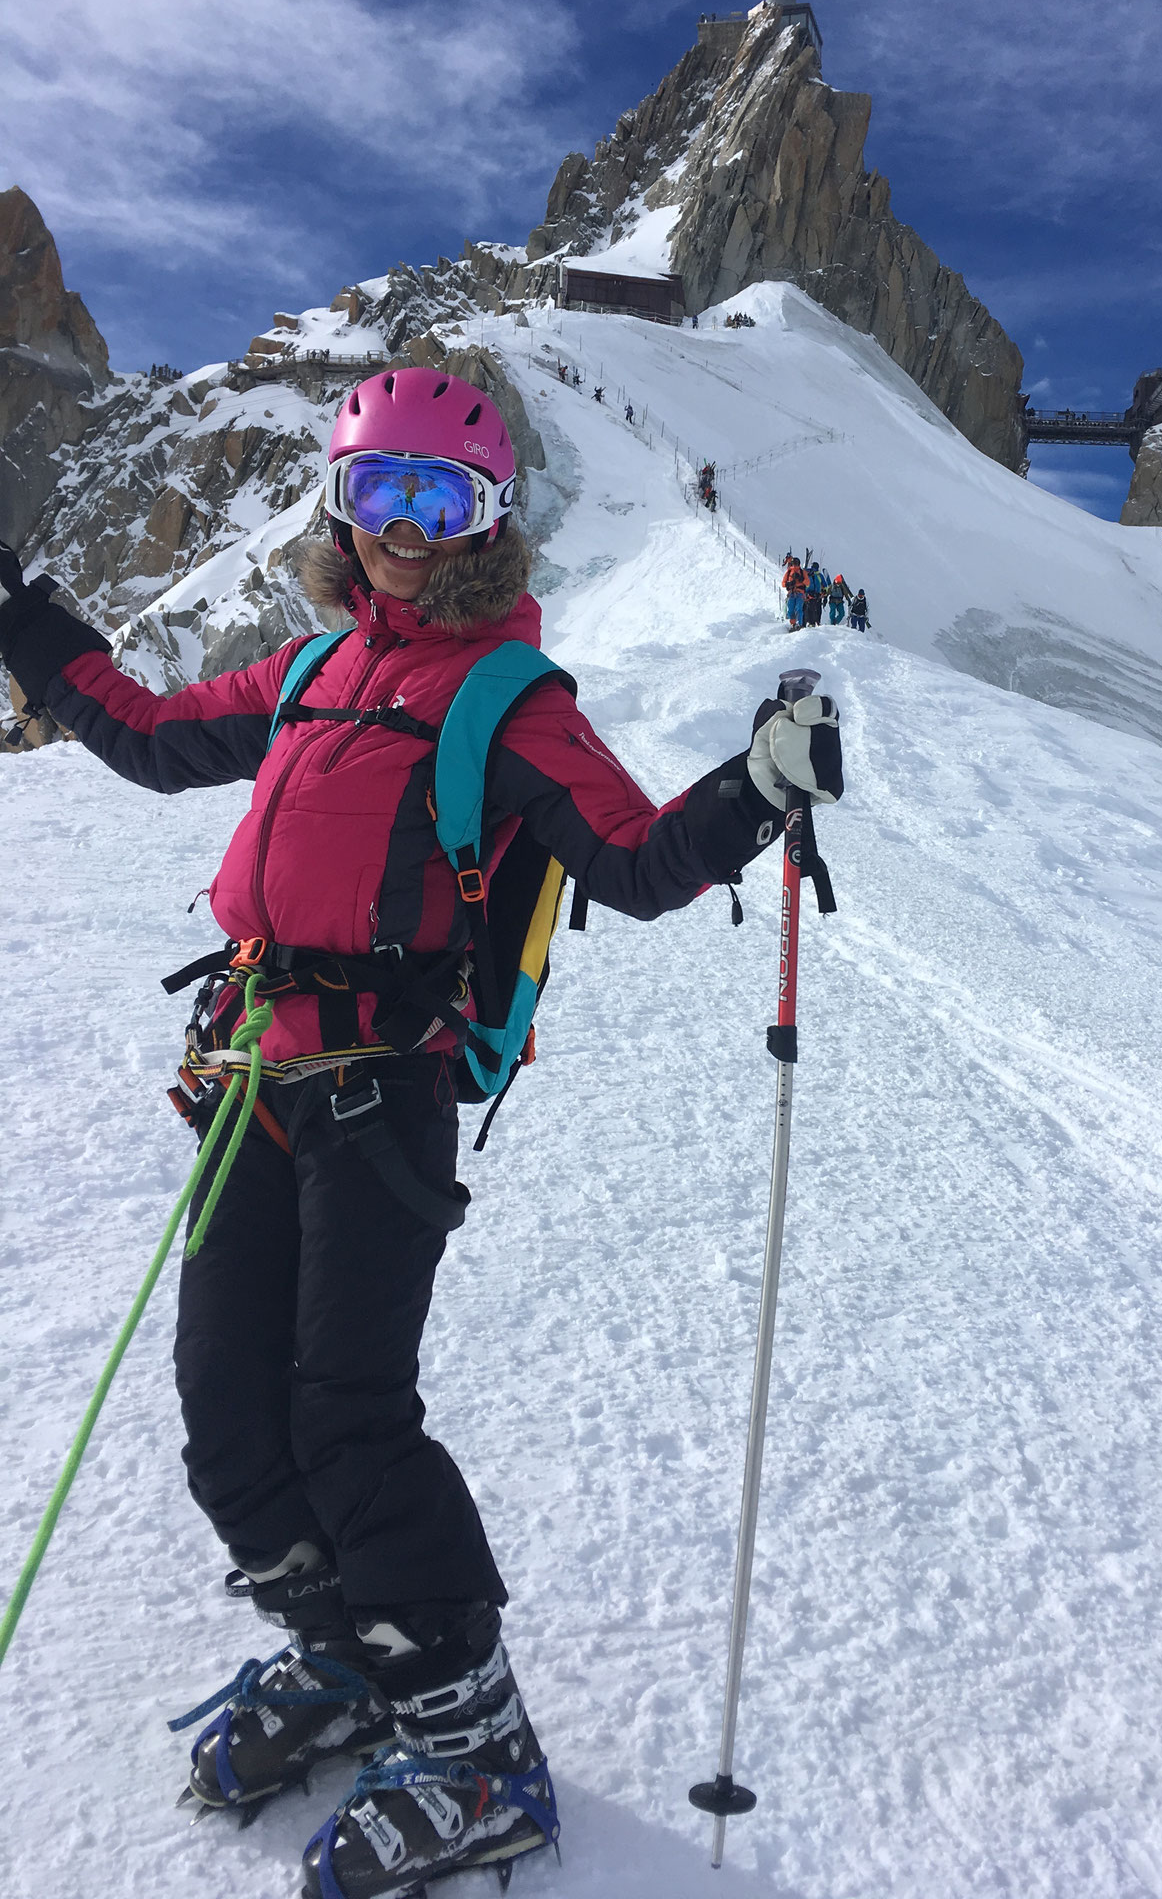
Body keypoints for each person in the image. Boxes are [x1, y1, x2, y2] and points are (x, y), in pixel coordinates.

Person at [0, 366, 845, 1898]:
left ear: (490, 525)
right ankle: (353, 1658)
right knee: (226, 1415)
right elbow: (137, 731)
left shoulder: (510, 701)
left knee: (346, 1417)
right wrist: (17, 612)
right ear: (341, 509)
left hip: (384, 1088)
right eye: (377, 496)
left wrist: (757, 786)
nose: (401, 530)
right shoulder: (315, 666)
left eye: (435, 502)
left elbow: (638, 861)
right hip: (256, 1071)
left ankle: (475, 1747)